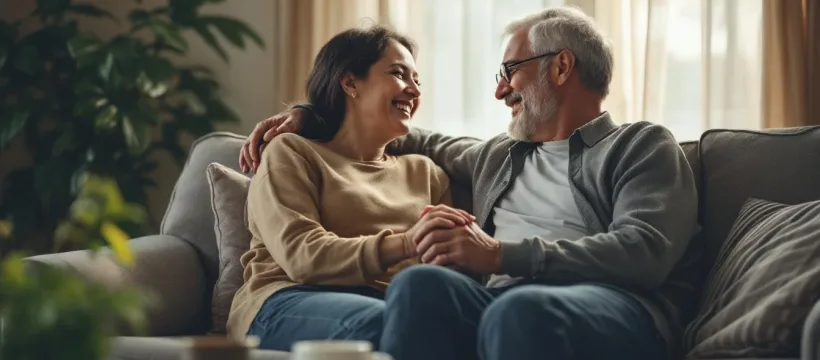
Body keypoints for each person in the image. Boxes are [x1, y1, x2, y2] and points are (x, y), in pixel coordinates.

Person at [241, 6, 700, 360]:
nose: (500, 91)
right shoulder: (495, 156)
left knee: (520, 311)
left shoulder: (641, 145)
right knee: (418, 287)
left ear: (561, 68)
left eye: (510, 71)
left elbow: (645, 253)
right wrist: (311, 115)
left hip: (609, 303)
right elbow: (389, 130)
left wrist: (501, 255)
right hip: (497, 301)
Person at [226, 25, 478, 351]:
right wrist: (407, 242)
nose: (414, 91)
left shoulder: (427, 173)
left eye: (417, 80)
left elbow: (444, 272)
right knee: (391, 324)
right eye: (399, 74)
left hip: (392, 302)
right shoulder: (291, 151)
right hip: (287, 297)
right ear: (349, 83)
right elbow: (304, 257)